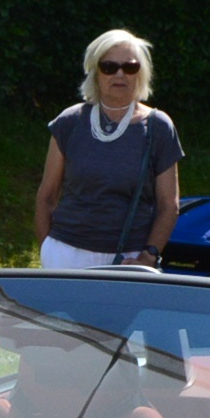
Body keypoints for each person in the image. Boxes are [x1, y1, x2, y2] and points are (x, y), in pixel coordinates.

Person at [32, 29, 181, 270]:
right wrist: (47, 249)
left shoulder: (158, 126)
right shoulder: (70, 121)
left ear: (141, 73)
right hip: (66, 254)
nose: (120, 74)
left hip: (129, 259)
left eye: (130, 67)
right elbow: (46, 196)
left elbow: (169, 204)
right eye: (109, 67)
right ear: (95, 72)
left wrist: (149, 255)